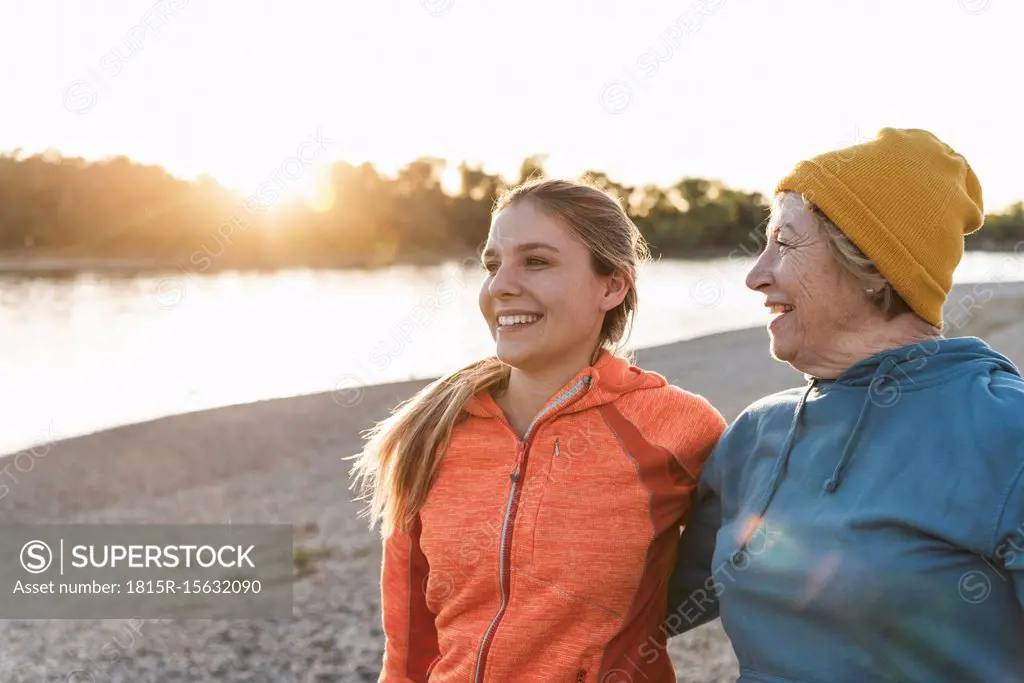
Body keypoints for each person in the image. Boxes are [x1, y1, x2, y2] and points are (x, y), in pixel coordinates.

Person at [664, 127, 1024, 682]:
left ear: (874, 265)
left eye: (783, 244)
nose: (755, 275)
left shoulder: (1007, 432)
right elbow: (635, 606)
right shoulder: (756, 432)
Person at [350, 177, 727, 682]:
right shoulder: (430, 431)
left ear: (611, 286)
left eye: (537, 261)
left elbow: (746, 569)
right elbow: (409, 644)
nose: (500, 285)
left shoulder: (679, 428)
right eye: (492, 264)